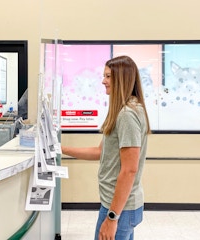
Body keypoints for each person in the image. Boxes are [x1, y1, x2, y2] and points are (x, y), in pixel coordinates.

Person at [61, 55, 151, 240]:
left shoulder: (127, 114)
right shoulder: (125, 109)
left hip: (119, 209)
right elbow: (101, 152)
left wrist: (112, 217)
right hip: (120, 206)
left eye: (108, 76)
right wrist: (61, 149)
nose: (103, 81)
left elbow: (129, 170)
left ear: (122, 78)